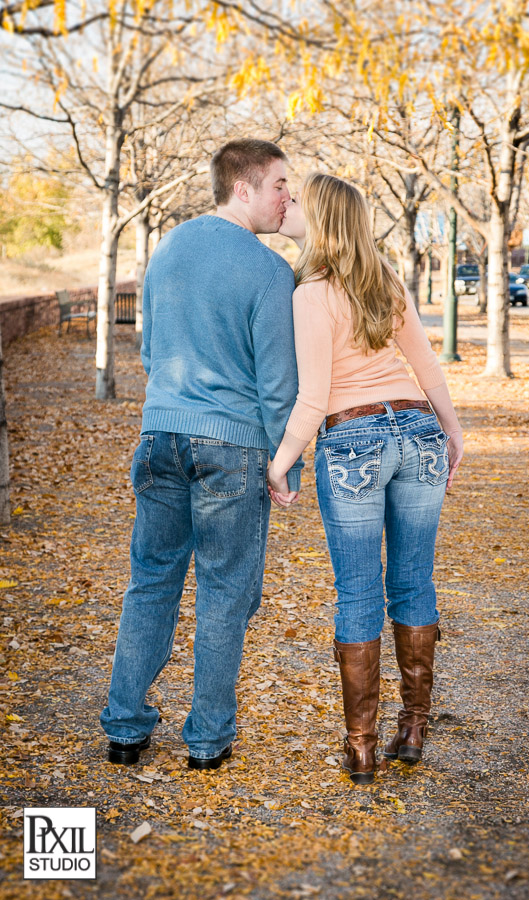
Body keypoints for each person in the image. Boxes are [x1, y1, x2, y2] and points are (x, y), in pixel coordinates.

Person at [100, 139, 302, 770]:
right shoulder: (270, 271)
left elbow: (150, 352)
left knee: (151, 582)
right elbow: (279, 384)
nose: (287, 198)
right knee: (226, 591)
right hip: (232, 446)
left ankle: (126, 729)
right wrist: (285, 465)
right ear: (242, 188)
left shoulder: (166, 252)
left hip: (159, 436)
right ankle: (208, 741)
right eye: (278, 185)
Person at [269, 173, 463, 784]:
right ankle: (413, 728)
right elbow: (425, 363)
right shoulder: (384, 279)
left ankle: (361, 747)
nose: (288, 205)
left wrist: (278, 463)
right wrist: (453, 432)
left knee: (358, 592)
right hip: (419, 431)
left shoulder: (311, 293)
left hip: (353, 439)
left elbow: (314, 396)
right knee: (412, 580)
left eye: (296, 199)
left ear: (322, 220)